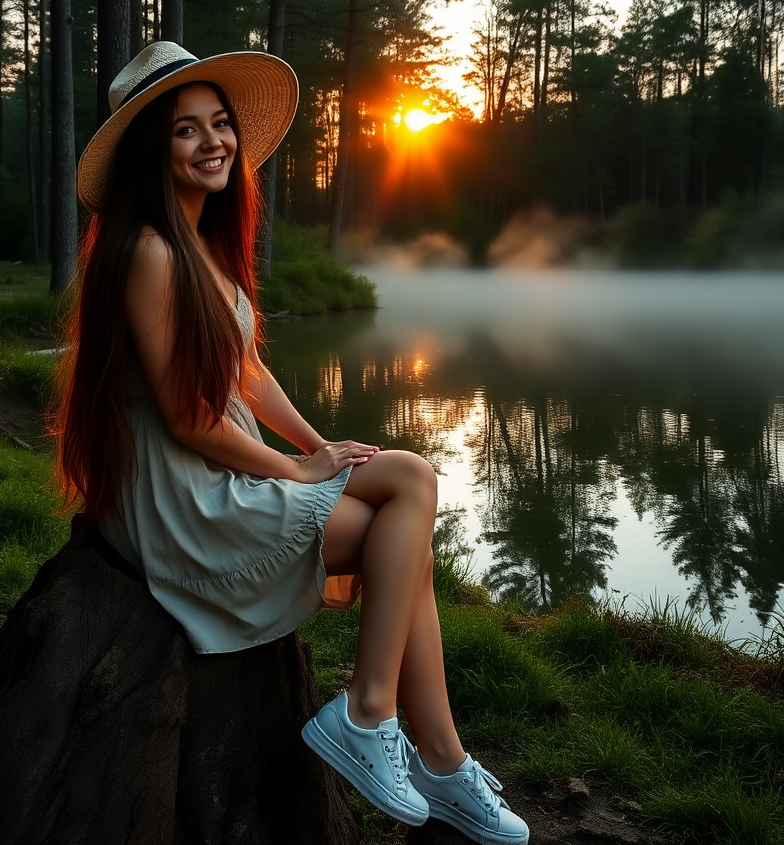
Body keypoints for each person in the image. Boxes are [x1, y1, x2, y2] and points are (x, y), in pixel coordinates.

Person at [52, 41, 529, 845]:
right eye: (184, 131)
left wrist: (322, 442)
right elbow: (185, 418)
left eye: (220, 125)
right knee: (399, 522)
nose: (213, 144)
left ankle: (424, 753)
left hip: (216, 472)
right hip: (184, 496)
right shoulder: (146, 253)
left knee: (404, 477)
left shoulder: (197, 248)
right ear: (150, 151)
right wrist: (294, 468)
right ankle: (389, 729)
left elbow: (247, 374)